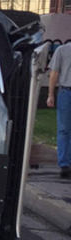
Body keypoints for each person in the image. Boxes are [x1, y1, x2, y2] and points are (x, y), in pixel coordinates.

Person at [47, 41, 71, 178]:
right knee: (64, 128)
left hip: (65, 92)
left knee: (65, 129)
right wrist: (50, 94)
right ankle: (64, 164)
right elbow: (54, 73)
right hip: (65, 91)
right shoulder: (62, 51)